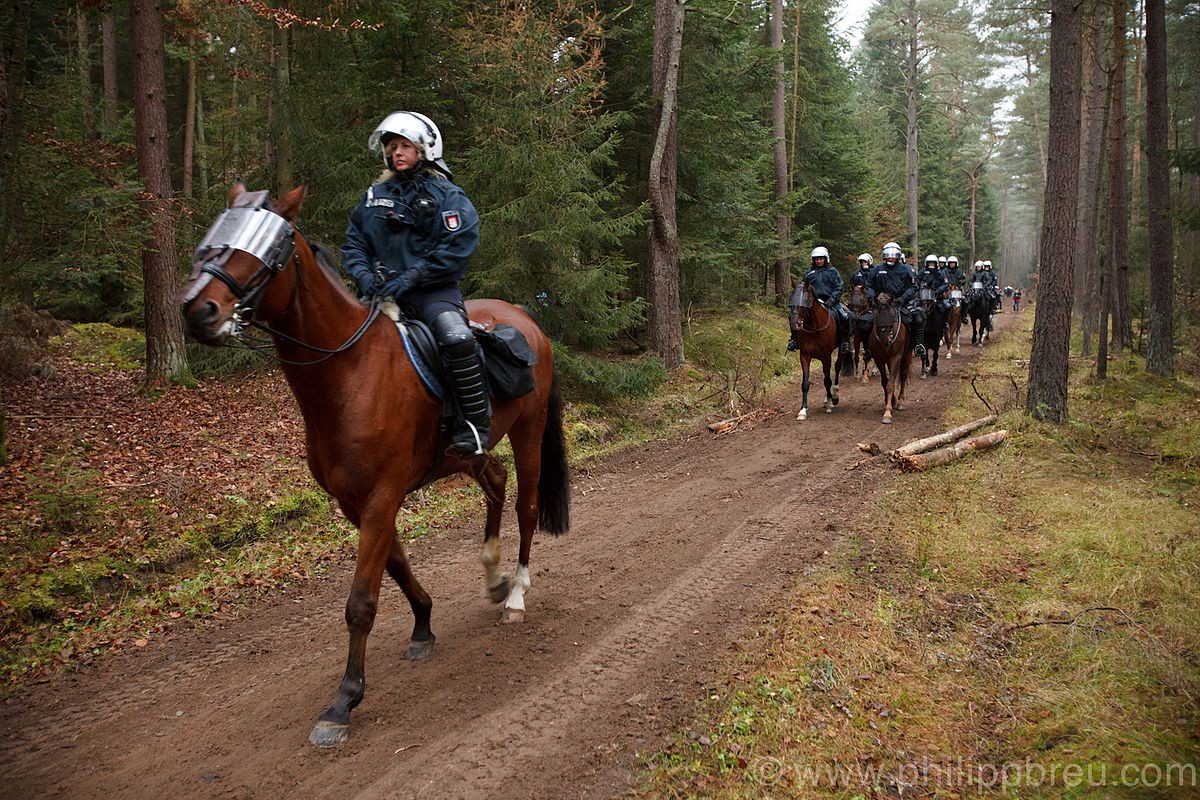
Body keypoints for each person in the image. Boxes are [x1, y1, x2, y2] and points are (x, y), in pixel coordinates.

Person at [341, 110, 489, 457]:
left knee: (457, 337)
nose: (397, 153)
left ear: (424, 148)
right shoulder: (373, 197)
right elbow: (354, 243)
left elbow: (458, 246)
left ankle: (475, 426)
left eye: (405, 145)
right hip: (380, 297)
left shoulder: (448, 196)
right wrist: (363, 276)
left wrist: (412, 277)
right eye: (392, 147)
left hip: (432, 294)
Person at [869, 241, 925, 356]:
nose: (891, 258)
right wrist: (872, 299)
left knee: (917, 318)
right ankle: (868, 349)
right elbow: (869, 285)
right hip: (881, 304)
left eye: (893, 256)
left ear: (897, 256)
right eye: (888, 256)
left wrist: (903, 298)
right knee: (864, 322)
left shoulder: (906, 269)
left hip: (900, 302)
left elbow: (913, 286)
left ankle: (917, 345)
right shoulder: (877, 269)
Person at [799, 245, 852, 355]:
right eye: (816, 259)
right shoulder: (809, 273)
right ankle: (795, 340)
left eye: (821, 259)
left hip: (831, 301)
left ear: (825, 259)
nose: (819, 261)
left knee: (845, 316)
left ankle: (845, 341)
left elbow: (839, 286)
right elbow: (803, 288)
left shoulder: (833, 271)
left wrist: (832, 300)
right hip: (812, 303)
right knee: (796, 316)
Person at [917, 253, 949, 323]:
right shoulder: (923, 271)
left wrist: (938, 290)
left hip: (937, 297)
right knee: (913, 308)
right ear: (927, 263)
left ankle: (945, 323)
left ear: (936, 263)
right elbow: (917, 281)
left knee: (946, 307)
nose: (931, 264)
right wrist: (920, 287)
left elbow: (945, 284)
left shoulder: (939, 272)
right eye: (930, 263)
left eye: (933, 263)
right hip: (923, 296)